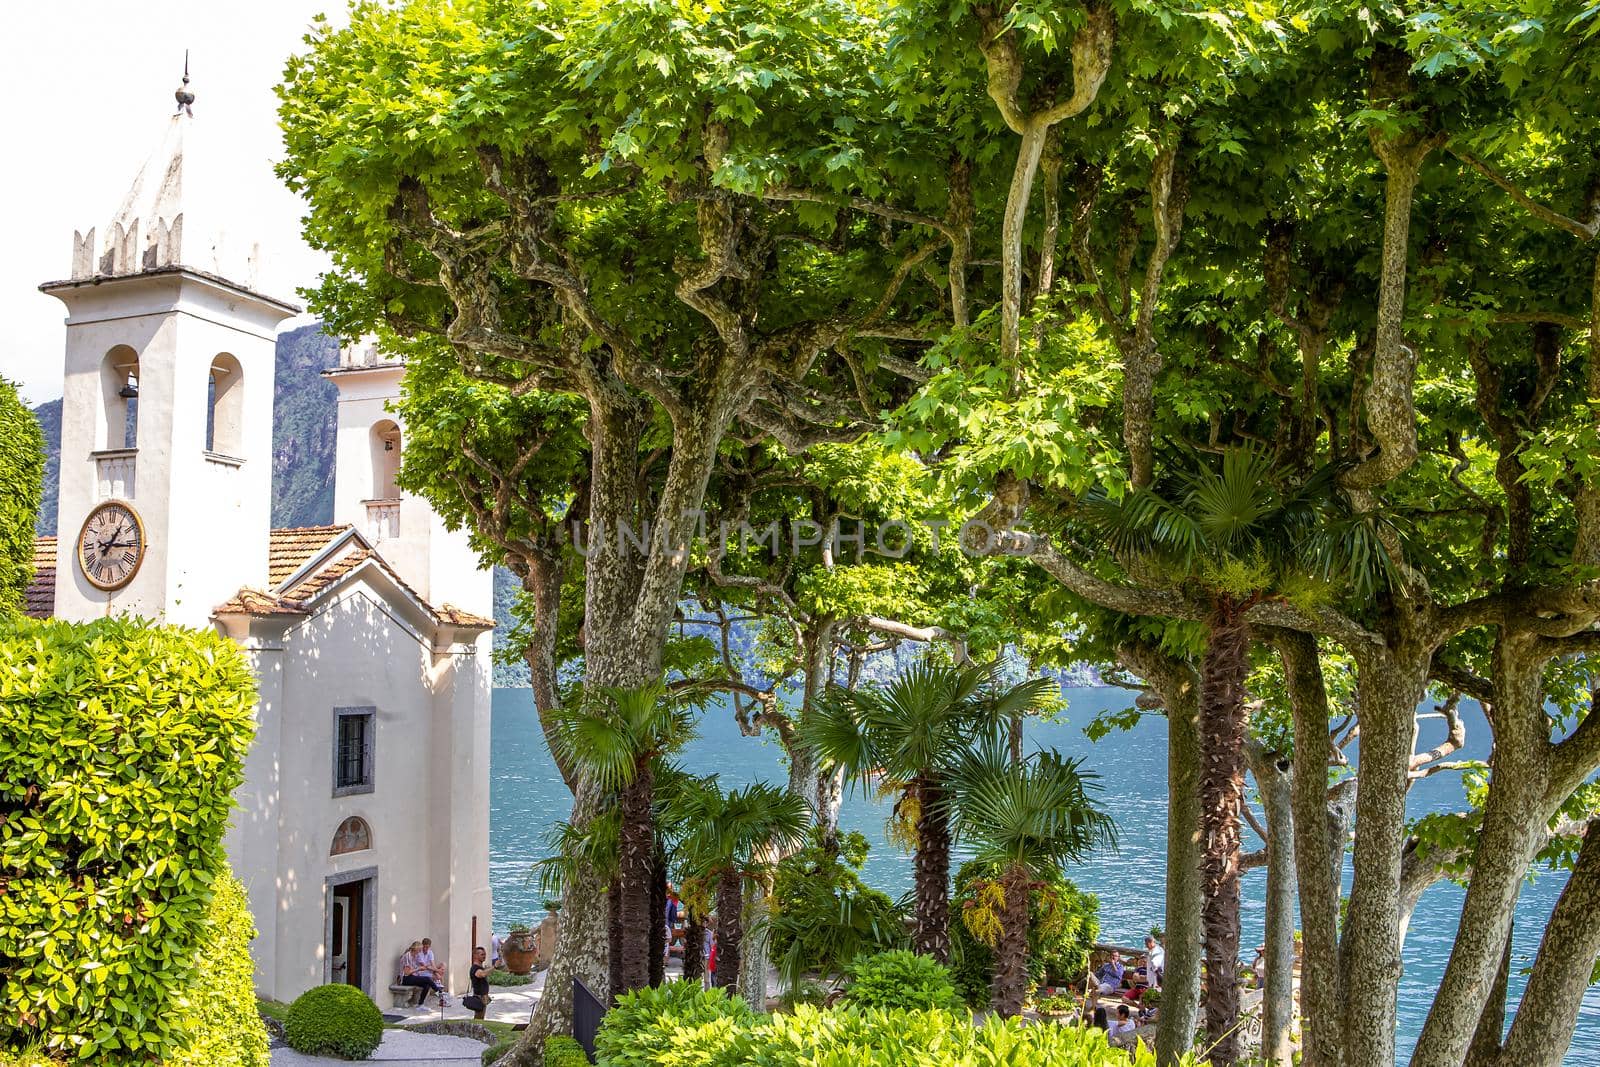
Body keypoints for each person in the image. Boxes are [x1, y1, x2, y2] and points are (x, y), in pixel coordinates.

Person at [399, 940, 448, 1007]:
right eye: (419, 950)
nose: (420, 952)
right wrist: (419, 969)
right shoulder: (408, 956)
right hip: (405, 979)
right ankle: (439, 993)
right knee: (427, 979)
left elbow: (423, 966)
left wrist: (434, 971)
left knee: (427, 985)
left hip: (412, 976)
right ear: (415, 949)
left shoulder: (415, 956)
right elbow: (407, 973)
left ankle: (420, 1005)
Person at [461, 946, 492, 1020]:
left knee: (480, 1017)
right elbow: (482, 974)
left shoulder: (479, 967)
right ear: (475, 955)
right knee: (479, 1018)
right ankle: (475, 1030)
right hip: (479, 997)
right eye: (482, 954)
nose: (484, 956)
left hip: (483, 996)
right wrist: (495, 967)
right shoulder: (475, 968)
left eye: (484, 954)